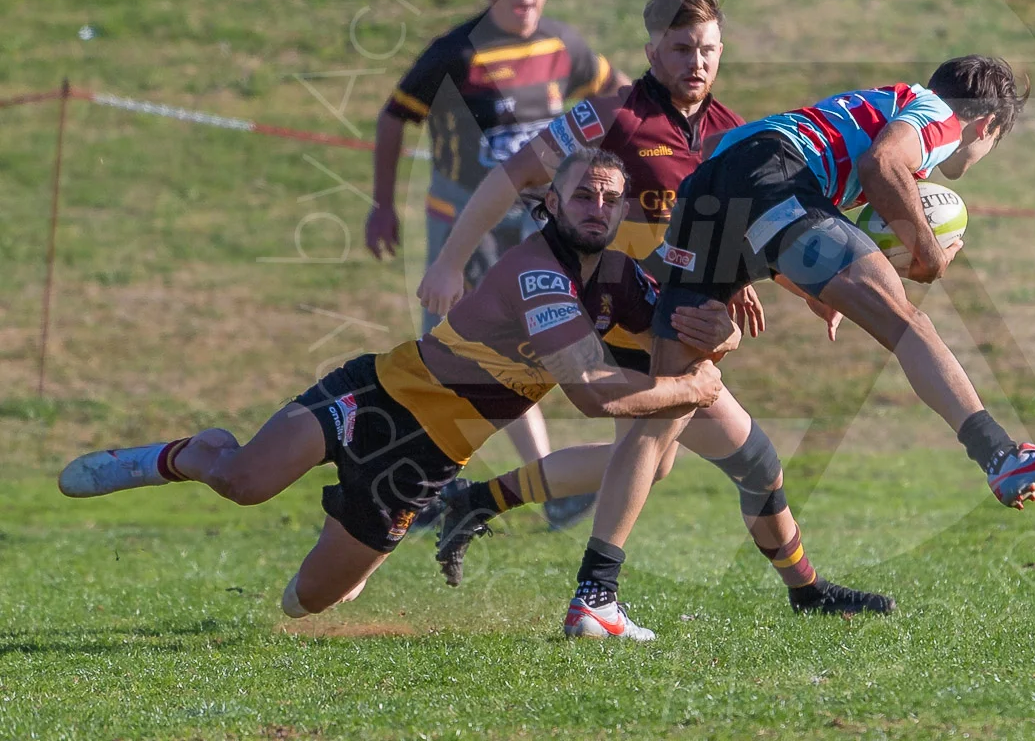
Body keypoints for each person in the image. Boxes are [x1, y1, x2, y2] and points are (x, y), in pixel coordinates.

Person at [58, 149, 731, 640]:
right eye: (583, 194)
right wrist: (690, 386)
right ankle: (184, 455)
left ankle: (352, 537)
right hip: (379, 398)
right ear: (552, 203)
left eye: (610, 198)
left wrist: (720, 333)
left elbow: (679, 324)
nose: (598, 208)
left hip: (427, 462)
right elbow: (590, 392)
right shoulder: (538, 271)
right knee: (244, 482)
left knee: (307, 603)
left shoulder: (614, 278)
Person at [418, 0, 895, 624]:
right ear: (651, 50)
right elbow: (512, 174)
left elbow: (745, 228)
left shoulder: (738, 134)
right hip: (618, 312)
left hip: (673, 313)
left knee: (689, 459)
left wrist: (778, 285)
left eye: (707, 50)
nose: (694, 63)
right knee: (663, 445)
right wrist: (450, 259)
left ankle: (479, 503)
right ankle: (595, 595)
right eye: (679, 49)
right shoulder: (612, 116)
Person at [578, 58, 1035, 630]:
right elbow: (883, 167)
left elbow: (737, 157)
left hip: (710, 190)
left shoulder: (869, 104)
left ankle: (594, 595)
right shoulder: (940, 115)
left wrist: (784, 274)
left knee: (667, 408)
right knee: (907, 323)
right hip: (774, 179)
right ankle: (1000, 455)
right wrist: (926, 255)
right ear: (987, 127)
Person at [367, 0, 629, 530]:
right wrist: (382, 205)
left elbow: (618, 97)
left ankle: (469, 485)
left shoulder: (566, 45)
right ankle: (417, 484)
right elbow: (393, 118)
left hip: (537, 228)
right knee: (450, 356)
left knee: (526, 349)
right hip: (461, 227)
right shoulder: (455, 53)